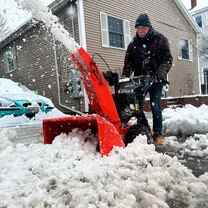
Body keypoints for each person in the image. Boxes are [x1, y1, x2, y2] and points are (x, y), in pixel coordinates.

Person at [122, 13, 173, 146]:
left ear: (149, 27)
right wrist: (125, 78)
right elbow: (128, 64)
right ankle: (146, 130)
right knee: (136, 107)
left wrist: (160, 74)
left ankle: (157, 134)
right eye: (138, 28)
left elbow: (167, 59)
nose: (141, 31)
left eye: (143, 27)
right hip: (140, 80)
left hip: (156, 80)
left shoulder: (160, 39)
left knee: (154, 106)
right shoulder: (133, 44)